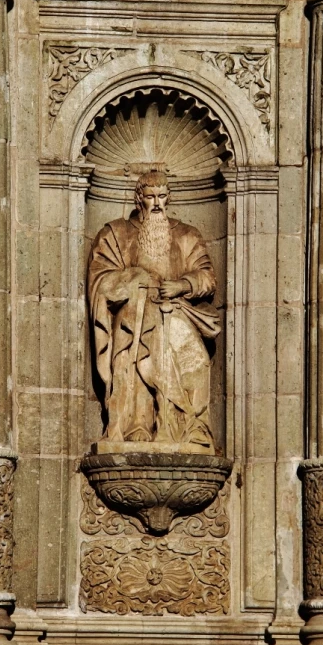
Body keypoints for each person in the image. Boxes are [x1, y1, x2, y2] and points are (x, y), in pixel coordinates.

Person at [87, 170, 221, 450]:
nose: (157, 203)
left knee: (194, 356)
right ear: (139, 200)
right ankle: (136, 423)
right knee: (137, 334)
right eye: (150, 197)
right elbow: (100, 279)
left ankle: (185, 425)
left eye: (162, 196)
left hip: (177, 311)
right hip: (133, 315)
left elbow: (207, 276)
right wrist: (134, 278)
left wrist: (182, 284)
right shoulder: (116, 234)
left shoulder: (186, 235)